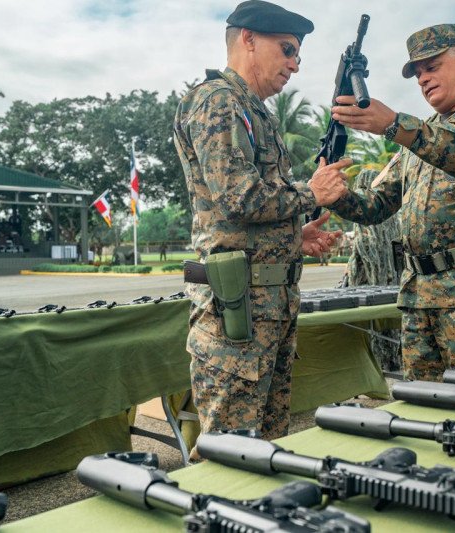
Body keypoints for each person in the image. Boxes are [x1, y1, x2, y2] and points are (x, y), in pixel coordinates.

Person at [173, 0, 350, 443]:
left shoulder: (254, 110)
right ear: (248, 40)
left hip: (267, 307)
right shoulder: (218, 102)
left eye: (298, 55)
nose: (294, 64)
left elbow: (249, 207)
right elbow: (237, 197)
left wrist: (295, 235)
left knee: (265, 447)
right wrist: (313, 192)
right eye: (286, 49)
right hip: (239, 314)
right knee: (229, 451)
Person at [329, 24, 455, 381]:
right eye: (418, 73)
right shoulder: (417, 138)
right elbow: (376, 206)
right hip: (419, 293)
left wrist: (393, 124)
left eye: (431, 67)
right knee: (422, 405)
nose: (422, 79)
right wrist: (337, 197)